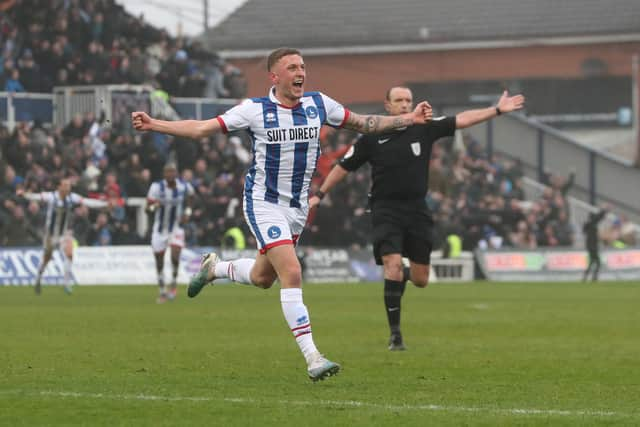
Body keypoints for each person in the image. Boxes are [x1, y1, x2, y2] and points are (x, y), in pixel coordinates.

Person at [131, 47, 433, 381]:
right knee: (291, 271)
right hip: (263, 202)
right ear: (275, 76)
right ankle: (313, 357)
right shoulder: (254, 110)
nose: (300, 72)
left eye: (302, 66)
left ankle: (215, 269)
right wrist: (155, 124)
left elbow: (366, 124)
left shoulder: (319, 104)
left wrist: (410, 119)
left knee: (263, 278)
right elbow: (202, 128)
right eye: (292, 67)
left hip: (296, 208)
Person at [309, 86, 525, 350]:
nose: (404, 104)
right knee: (392, 265)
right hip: (384, 209)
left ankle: (402, 276)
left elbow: (463, 119)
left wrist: (497, 110)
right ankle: (395, 335)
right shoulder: (371, 136)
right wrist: (319, 194)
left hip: (417, 210)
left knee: (421, 279)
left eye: (408, 100)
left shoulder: (424, 127)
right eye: (398, 100)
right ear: (387, 105)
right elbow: (343, 167)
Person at [17, 178, 107, 294]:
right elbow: (37, 197)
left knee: (69, 254)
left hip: (63, 234)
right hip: (50, 236)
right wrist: (24, 194)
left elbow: (87, 202)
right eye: (65, 185)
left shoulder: (72, 197)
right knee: (46, 259)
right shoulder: (51, 196)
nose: (68, 188)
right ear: (59, 187)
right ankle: (38, 279)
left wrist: (104, 203)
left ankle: (66, 283)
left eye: (69, 185)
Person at [146, 163, 195, 303]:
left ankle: (173, 283)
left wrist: (187, 212)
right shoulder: (156, 187)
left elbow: (192, 197)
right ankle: (162, 290)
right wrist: (155, 205)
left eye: (173, 171)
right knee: (159, 262)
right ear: (164, 174)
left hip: (176, 228)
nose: (170, 174)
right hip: (160, 230)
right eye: (167, 172)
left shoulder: (183, 186)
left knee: (175, 256)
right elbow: (147, 209)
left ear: (176, 173)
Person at [582, 206, 608, 282]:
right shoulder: (592, 225)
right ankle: (594, 277)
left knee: (592, 262)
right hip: (593, 246)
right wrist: (604, 210)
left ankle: (586, 277)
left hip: (590, 246)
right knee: (598, 262)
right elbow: (598, 217)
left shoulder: (587, 225)